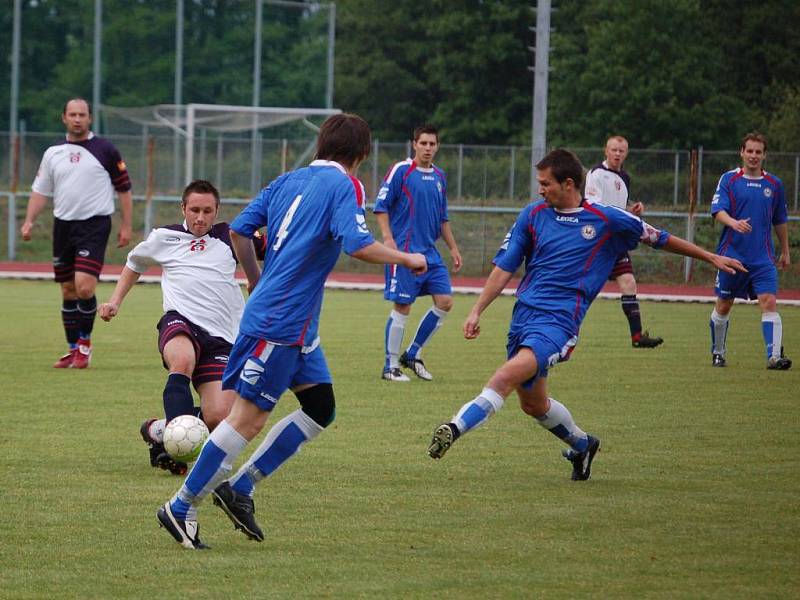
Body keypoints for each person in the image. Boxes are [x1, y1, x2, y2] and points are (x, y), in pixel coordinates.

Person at [156, 113, 428, 550]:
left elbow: (242, 229)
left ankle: (240, 488)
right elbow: (357, 245)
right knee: (247, 419)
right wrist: (407, 258)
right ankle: (181, 505)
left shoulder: (288, 179)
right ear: (361, 154)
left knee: (320, 408)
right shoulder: (345, 184)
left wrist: (256, 278)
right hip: (280, 324)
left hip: (296, 324)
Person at [427, 149, 745, 481]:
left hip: (559, 324)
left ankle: (454, 427)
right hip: (523, 319)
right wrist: (477, 310)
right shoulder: (533, 215)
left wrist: (711, 257)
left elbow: (660, 238)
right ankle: (583, 445)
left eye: (545, 183)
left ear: (568, 184)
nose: (540, 189)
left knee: (505, 377)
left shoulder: (607, 219)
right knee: (533, 405)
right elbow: (505, 267)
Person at [99, 180, 266, 475]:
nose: (200, 218)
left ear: (217, 211)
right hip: (180, 322)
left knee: (219, 416)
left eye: (207, 211)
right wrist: (115, 301)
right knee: (182, 360)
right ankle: (174, 449)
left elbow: (275, 246)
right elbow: (134, 263)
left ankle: (160, 429)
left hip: (223, 337)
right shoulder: (165, 237)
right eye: (194, 210)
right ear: (183, 209)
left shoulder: (232, 236)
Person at [21, 97, 133, 369]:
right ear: (64, 118)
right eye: (72, 114)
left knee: (84, 286)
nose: (77, 119)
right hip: (64, 226)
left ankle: (85, 345)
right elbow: (40, 190)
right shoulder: (53, 153)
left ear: (90, 118)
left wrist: (126, 224)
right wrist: (29, 221)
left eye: (82, 114)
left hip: (94, 225)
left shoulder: (105, 149)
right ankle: (72, 349)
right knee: (68, 290)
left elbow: (124, 188)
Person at [374, 124, 462, 382]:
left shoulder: (440, 177)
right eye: (423, 143)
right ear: (414, 144)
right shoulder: (401, 170)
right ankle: (390, 366)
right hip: (404, 253)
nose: (427, 148)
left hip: (430, 254)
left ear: (437, 146)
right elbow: (381, 206)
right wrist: (388, 239)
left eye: (432, 144)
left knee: (445, 301)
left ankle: (412, 353)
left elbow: (443, 218)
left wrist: (453, 248)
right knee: (403, 305)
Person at [708, 132, 792, 370]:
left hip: (763, 257)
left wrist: (785, 251)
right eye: (750, 151)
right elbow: (717, 210)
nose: (754, 156)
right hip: (731, 256)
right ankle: (718, 352)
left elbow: (780, 219)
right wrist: (733, 222)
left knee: (769, 301)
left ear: (764, 155)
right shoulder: (728, 180)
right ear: (741, 152)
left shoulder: (774, 184)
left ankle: (774, 357)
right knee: (724, 305)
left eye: (758, 152)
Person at [584, 135, 663, 348]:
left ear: (626, 153)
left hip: (616, 241)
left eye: (621, 150)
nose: (617, 154)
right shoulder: (596, 174)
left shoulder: (625, 177)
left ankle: (637, 337)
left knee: (628, 283)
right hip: (599, 241)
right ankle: (562, 327)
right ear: (606, 151)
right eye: (614, 150)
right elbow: (593, 206)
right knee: (585, 288)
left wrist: (631, 211)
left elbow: (616, 209)